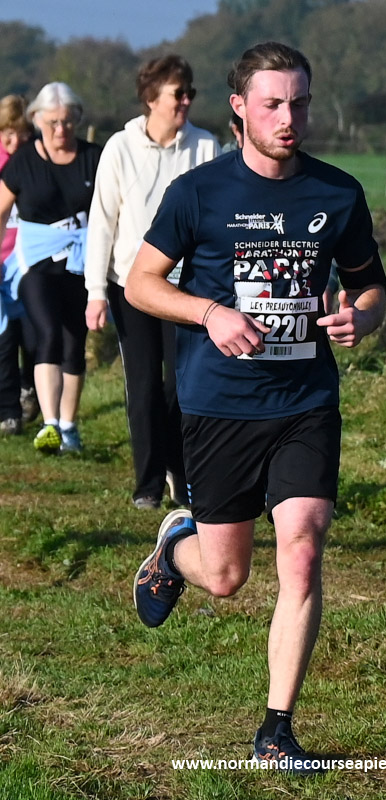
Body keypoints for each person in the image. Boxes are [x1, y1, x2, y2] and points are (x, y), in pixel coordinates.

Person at [126, 42, 386, 772]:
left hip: (305, 400)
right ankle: (174, 548)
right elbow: (142, 284)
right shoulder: (199, 193)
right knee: (226, 577)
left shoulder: (337, 194)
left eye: (299, 102)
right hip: (220, 403)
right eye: (273, 103)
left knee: (302, 548)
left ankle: (276, 730)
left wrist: (363, 318)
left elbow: (371, 288)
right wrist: (209, 313)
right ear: (240, 107)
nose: (289, 118)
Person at [84, 55, 221, 510]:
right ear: (150, 99)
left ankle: (180, 472)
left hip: (187, 287)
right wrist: (95, 293)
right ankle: (147, 483)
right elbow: (102, 223)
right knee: (142, 386)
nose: (186, 101)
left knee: (181, 386)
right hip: (132, 285)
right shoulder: (119, 149)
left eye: (190, 93)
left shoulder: (205, 146)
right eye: (178, 94)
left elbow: (218, 217)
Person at [0, 83, 101, 453]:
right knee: (48, 334)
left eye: (67, 122)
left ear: (77, 120)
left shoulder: (94, 157)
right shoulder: (24, 161)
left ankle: (69, 427)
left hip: (81, 261)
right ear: (38, 120)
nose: (60, 130)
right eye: (53, 122)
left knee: (75, 342)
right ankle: (50, 424)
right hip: (35, 263)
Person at [0, 95, 38, 435]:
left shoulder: (35, 161)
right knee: (4, 337)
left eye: (21, 134)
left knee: (33, 334)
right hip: (0, 261)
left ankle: (31, 388)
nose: (14, 141)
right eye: (7, 134)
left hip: (26, 262)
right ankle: (8, 410)